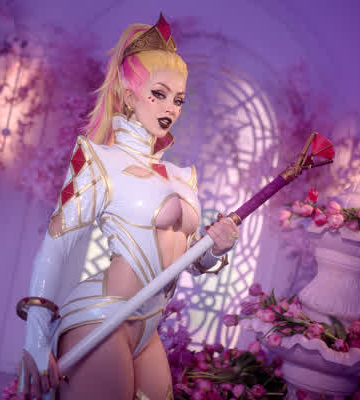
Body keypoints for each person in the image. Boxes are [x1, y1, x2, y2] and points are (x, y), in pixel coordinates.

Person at [16, 14, 240, 400]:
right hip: (101, 316)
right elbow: (55, 247)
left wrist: (216, 247)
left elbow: (189, 259)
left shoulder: (182, 176)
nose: (171, 107)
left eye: (178, 99)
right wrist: (35, 338)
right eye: (159, 93)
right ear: (129, 92)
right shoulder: (98, 161)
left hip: (147, 327)